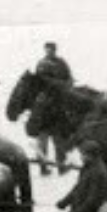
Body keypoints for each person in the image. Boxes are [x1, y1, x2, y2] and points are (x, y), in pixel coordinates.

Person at [32, 42, 73, 174]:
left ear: (54, 50)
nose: (49, 51)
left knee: (55, 139)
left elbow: (69, 80)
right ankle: (50, 167)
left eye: (50, 49)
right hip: (50, 108)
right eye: (47, 49)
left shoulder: (58, 63)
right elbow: (67, 82)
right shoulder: (47, 64)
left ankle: (56, 167)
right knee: (50, 139)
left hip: (50, 107)